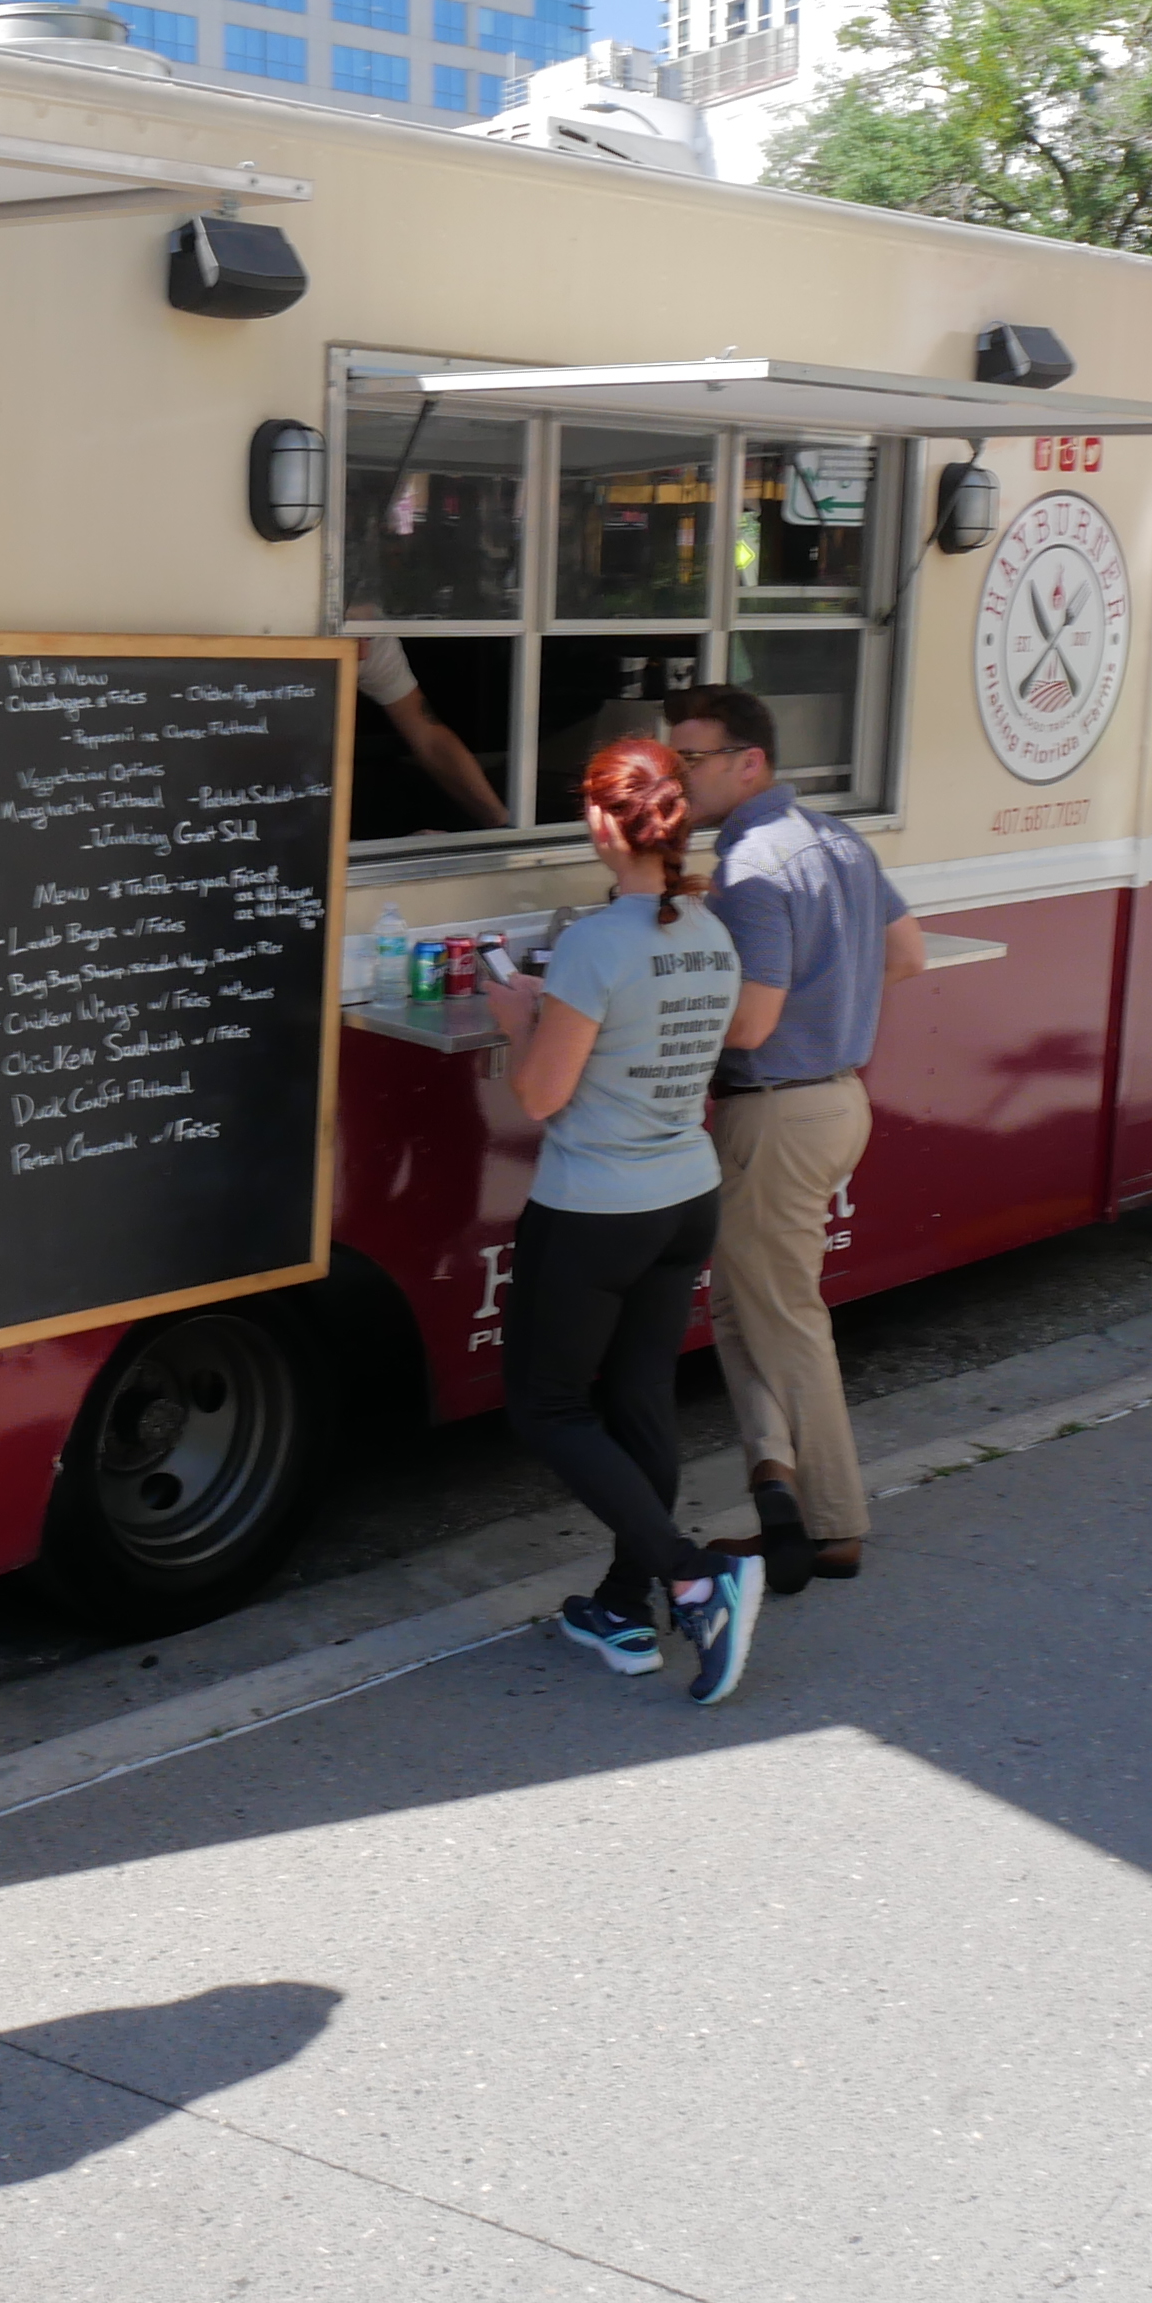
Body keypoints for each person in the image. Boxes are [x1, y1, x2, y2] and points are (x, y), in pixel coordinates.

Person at [480, 739, 766, 1704]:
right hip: (685, 1196)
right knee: (638, 1400)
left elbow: (541, 1097)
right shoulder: (710, 932)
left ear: (604, 824)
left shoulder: (602, 943)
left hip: (595, 1207)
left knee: (549, 1407)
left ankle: (693, 1575)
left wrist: (516, 1014)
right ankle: (619, 1605)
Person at [661, 684, 924, 1595]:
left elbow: (751, 1022)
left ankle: (836, 1526)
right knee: (747, 1308)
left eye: (691, 760)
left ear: (750, 763)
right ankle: (776, 1487)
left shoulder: (751, 867)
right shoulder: (837, 839)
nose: (677, 775)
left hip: (772, 1110)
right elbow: (907, 952)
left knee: (786, 1320)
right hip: (837, 1099)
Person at [354, 631, 508, 830]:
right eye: (350, 636)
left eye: (368, 638)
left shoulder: (374, 640)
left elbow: (429, 738)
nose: (363, 653)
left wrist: (498, 821)